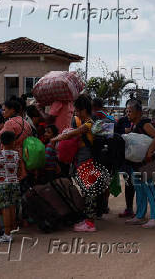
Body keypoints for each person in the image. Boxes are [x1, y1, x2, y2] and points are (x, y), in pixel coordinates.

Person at [51, 94, 98, 232]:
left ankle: (90, 223)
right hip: (84, 159)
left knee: (89, 191)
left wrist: (55, 139)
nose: (76, 114)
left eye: (77, 111)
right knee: (86, 190)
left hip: (87, 160)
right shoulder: (87, 123)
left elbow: (71, 135)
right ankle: (88, 219)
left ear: (83, 110)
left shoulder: (89, 124)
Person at [124, 99, 155, 229]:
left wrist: (149, 152)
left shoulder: (144, 123)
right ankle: (140, 215)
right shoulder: (134, 125)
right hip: (139, 163)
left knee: (150, 188)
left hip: (149, 162)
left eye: (130, 111)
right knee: (140, 189)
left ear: (139, 112)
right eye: (127, 111)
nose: (127, 113)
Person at [0, 131, 25, 243]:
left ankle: (7, 234)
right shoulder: (17, 154)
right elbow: (20, 172)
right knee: (12, 207)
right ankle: (10, 231)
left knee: (5, 209)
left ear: (1, 141)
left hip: (3, 185)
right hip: (15, 184)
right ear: (14, 141)